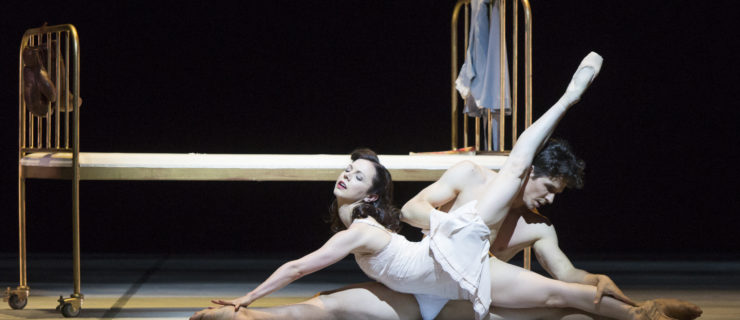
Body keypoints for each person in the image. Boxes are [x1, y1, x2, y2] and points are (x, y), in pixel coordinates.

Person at [192, 52, 702, 320]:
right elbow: (404, 217)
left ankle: (643, 314)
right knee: (324, 307)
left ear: (370, 195)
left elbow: (300, 264)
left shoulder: (364, 231)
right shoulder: (383, 221)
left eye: (358, 173)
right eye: (349, 173)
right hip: (440, 272)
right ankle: (243, 318)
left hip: (459, 269)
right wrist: (247, 301)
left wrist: (246, 293)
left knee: (559, 298)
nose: (345, 175)